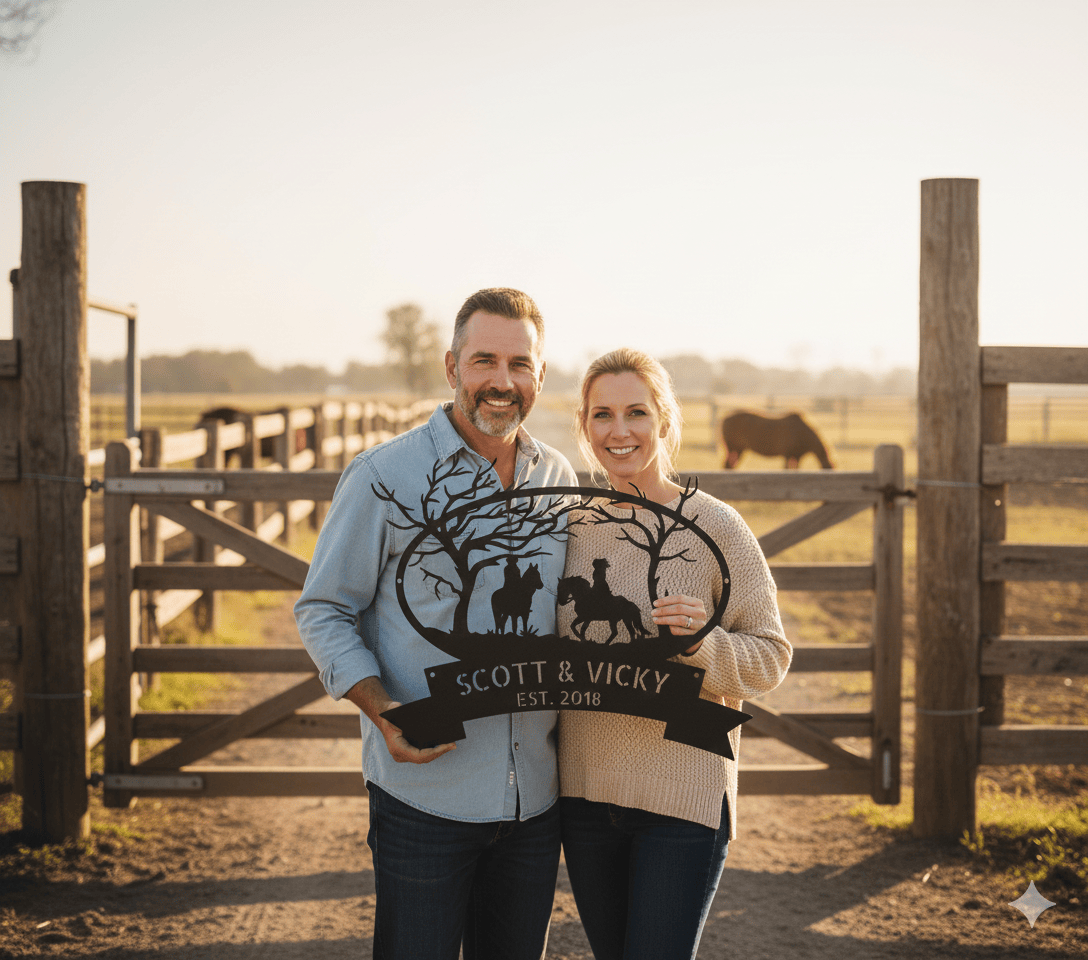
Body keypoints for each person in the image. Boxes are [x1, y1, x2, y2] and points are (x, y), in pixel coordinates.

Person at [294, 288, 578, 960]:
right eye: (484, 361)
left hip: (534, 803)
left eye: (519, 364)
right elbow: (324, 608)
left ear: (540, 375)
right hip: (427, 798)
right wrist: (382, 710)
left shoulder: (558, 477)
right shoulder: (384, 475)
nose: (502, 381)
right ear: (452, 367)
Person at [558, 348, 792, 960]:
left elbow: (771, 656)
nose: (620, 430)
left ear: (664, 419)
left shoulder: (717, 526)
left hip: (683, 796)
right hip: (584, 796)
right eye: (602, 414)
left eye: (637, 412)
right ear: (584, 426)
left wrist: (703, 644)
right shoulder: (570, 528)